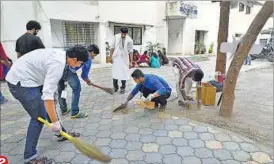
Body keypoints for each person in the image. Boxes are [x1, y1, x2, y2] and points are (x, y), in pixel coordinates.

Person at [6, 46, 89, 164]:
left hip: (31, 78)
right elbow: (47, 95)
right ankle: (30, 157)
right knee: (38, 117)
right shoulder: (58, 64)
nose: (79, 66)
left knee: (49, 107)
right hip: (21, 82)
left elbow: (49, 83)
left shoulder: (62, 56)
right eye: (80, 63)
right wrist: (54, 122)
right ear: (74, 59)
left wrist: (53, 96)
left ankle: (61, 133)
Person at [58, 44, 100, 119]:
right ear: (92, 52)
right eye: (95, 55)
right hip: (69, 71)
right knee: (76, 89)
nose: (94, 57)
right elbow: (84, 75)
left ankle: (64, 109)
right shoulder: (88, 57)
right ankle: (75, 112)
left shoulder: (79, 50)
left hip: (59, 67)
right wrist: (88, 81)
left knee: (62, 89)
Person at [110, 26, 133, 94]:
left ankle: (123, 88)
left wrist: (131, 62)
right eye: (122, 33)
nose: (123, 35)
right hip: (116, 58)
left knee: (124, 73)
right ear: (120, 32)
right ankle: (115, 87)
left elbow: (131, 51)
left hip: (124, 59)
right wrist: (110, 57)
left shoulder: (129, 40)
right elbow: (112, 47)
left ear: (126, 33)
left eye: (125, 34)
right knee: (115, 73)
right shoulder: (116, 37)